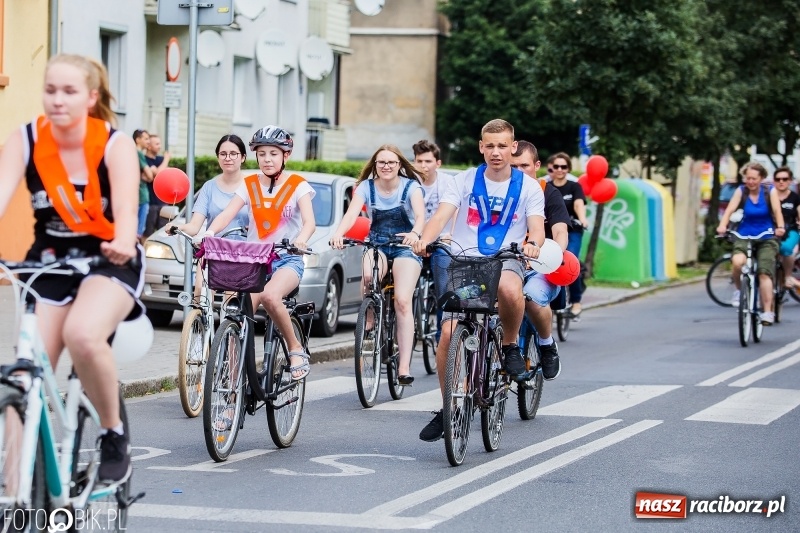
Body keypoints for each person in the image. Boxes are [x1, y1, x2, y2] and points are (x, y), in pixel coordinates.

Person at [0, 54, 144, 482]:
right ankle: (14, 494)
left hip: (108, 262)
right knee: (25, 369)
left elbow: (126, 210)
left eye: (69, 91)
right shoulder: (25, 139)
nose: (57, 100)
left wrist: (121, 239)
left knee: (81, 333)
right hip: (49, 263)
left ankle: (113, 432)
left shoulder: (114, 144)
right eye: (50, 90)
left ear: (91, 97)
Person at [413, 119, 545, 442]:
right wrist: (422, 238)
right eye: (490, 146)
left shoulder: (528, 187)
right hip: (466, 261)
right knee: (447, 332)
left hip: (507, 258)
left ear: (513, 147)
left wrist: (533, 244)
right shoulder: (463, 181)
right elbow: (441, 216)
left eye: (503, 146)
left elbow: (537, 226)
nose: (496, 152)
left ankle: (511, 345)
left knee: (510, 288)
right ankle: (449, 407)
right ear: (481, 147)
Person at [204, 126, 315, 382]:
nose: (267, 159)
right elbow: (227, 214)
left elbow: (309, 222)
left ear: (285, 156)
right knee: (237, 317)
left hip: (288, 259)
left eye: (273, 153)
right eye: (262, 153)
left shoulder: (298, 185)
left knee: (270, 296)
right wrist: (209, 232)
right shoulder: (249, 184)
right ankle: (230, 390)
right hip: (255, 263)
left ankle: (295, 348)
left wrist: (300, 239)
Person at [331, 145, 426, 384]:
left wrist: (415, 233)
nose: (386, 167)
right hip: (377, 243)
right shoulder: (366, 187)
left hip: (405, 245)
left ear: (399, 166)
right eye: (381, 162)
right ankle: (370, 314)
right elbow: (352, 214)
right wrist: (339, 233)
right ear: (375, 165)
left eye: (391, 163)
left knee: (403, 301)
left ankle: (404, 367)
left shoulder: (411, 187)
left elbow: (421, 216)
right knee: (368, 277)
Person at [512, 141, 570, 380]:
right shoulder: (501, 191)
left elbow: (560, 232)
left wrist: (553, 256)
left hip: (540, 265)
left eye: (524, 165)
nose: (519, 172)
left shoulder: (549, 192)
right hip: (508, 263)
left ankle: (547, 345)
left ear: (536, 165)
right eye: (513, 166)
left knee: (533, 300)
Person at [170, 134, 250, 296]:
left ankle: (230, 323)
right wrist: (176, 227)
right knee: (200, 291)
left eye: (233, 153)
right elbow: (194, 226)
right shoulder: (209, 187)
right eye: (223, 154)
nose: (228, 158)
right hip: (214, 248)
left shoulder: (252, 186)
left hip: (242, 252)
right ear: (218, 158)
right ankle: (200, 321)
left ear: (242, 157)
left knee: (231, 297)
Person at [717, 162, 785, 325]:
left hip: (766, 235)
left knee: (764, 271)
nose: (751, 182)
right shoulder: (742, 191)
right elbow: (729, 210)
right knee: (737, 262)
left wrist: (780, 227)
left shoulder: (770, 192)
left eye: (754, 178)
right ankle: (740, 291)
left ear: (761, 178)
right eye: (748, 178)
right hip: (744, 233)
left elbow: (777, 211)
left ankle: (767, 311)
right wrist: (722, 225)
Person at [550, 151, 588, 320]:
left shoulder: (574, 186)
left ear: (568, 169)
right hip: (550, 230)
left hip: (572, 231)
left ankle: (576, 302)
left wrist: (582, 219)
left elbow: (579, 204)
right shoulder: (546, 186)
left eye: (563, 166)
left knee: (569, 261)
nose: (559, 169)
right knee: (547, 263)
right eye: (556, 166)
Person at [772, 166, 800, 288]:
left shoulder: (795, 197)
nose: (781, 181)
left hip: (791, 231)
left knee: (786, 249)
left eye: (784, 179)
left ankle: (788, 276)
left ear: (789, 181)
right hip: (772, 231)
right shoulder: (770, 196)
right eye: (778, 179)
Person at [144, 133, 171, 236]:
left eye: (160, 144)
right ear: (149, 146)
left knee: (164, 234)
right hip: (150, 203)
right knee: (148, 233)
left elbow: (165, 175)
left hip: (163, 203)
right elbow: (159, 173)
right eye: (156, 144)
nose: (159, 146)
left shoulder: (160, 160)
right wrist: (167, 159)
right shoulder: (145, 159)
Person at [133, 129, 154, 242]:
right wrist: (149, 172)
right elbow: (150, 176)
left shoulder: (132, 153)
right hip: (141, 197)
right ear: (137, 140)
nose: (148, 141)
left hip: (138, 196)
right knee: (138, 232)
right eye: (146, 139)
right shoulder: (138, 153)